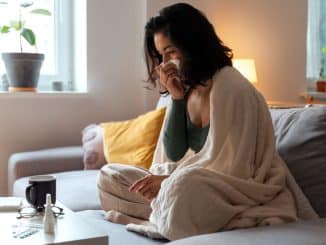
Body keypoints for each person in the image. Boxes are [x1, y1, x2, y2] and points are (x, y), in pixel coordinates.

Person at [97, 3, 317, 241]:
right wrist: (177, 98)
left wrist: (170, 182)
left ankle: (169, 212)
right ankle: (169, 212)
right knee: (109, 177)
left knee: (184, 186)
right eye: (161, 55)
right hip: (186, 184)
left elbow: (235, 168)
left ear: (192, 44)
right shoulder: (186, 89)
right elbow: (173, 153)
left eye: (170, 51)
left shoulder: (232, 86)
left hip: (231, 188)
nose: (165, 62)